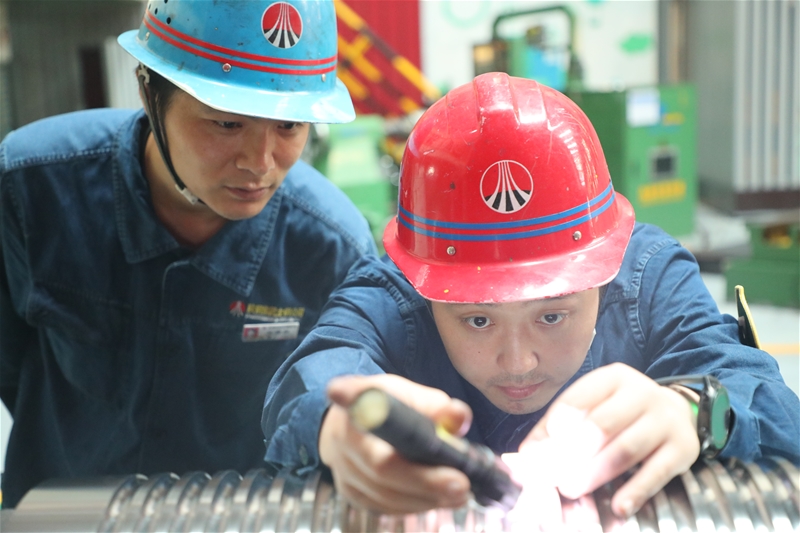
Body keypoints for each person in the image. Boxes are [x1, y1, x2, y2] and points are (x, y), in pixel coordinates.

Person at [262, 72, 800, 519]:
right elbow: (316, 373)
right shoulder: (396, 291)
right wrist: (336, 426)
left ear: (603, 276)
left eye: (552, 316)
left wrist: (698, 412)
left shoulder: (647, 276)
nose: (518, 362)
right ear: (424, 288)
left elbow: (770, 407)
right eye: (477, 320)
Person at [0, 0, 376, 509]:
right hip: (61, 513)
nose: (260, 162)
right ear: (149, 91)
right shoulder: (33, 189)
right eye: (226, 123)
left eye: (289, 126)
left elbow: (326, 402)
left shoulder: (330, 248)